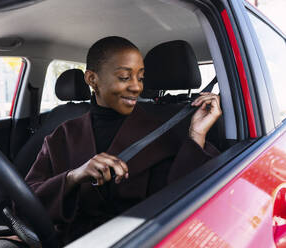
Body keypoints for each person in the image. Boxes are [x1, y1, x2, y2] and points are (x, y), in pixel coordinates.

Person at [25, 36, 221, 245]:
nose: (137, 87)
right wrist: (73, 177)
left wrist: (196, 135)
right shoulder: (62, 135)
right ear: (92, 79)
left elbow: (184, 200)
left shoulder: (163, 133)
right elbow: (26, 202)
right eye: (125, 77)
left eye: (141, 77)